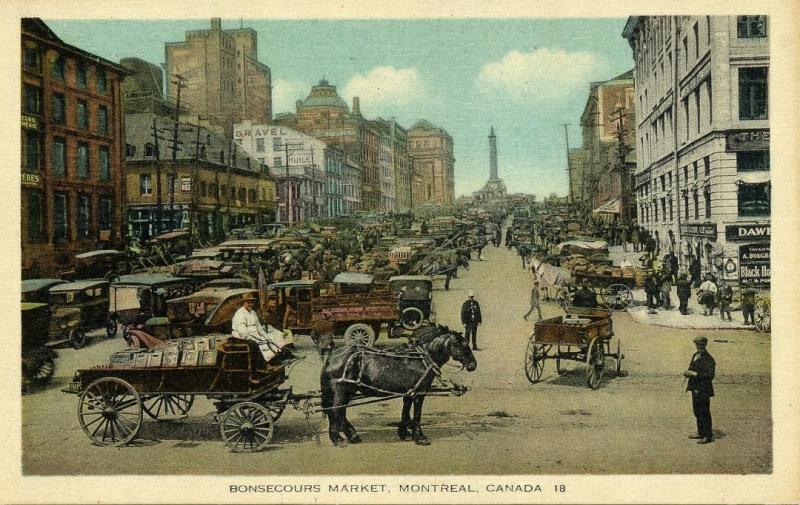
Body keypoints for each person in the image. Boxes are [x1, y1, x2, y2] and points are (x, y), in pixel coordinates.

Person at [232, 295, 293, 363]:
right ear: (243, 303)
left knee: (268, 339)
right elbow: (242, 330)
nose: (250, 305)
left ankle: (273, 357)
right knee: (260, 343)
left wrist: (264, 335)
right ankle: (264, 362)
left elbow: (258, 326)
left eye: (252, 303)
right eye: (248, 303)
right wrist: (255, 337)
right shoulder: (240, 314)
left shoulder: (253, 312)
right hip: (242, 335)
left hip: (253, 333)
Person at [684, 336, 716, 444]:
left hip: (704, 389)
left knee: (704, 412)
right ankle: (700, 432)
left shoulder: (709, 359)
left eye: (701, 346)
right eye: (698, 346)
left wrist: (695, 374)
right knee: (697, 411)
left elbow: (710, 375)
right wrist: (688, 372)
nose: (699, 348)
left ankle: (707, 436)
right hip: (695, 388)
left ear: (705, 346)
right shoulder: (695, 355)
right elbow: (692, 367)